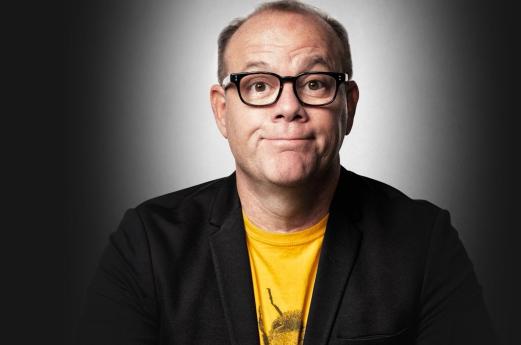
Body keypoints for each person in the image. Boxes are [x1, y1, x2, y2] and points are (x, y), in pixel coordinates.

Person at [77, 1, 497, 344]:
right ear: (222, 111)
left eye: (314, 83)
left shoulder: (424, 241)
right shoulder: (147, 243)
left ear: (347, 105)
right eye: (259, 85)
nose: (288, 106)